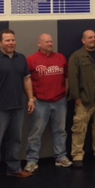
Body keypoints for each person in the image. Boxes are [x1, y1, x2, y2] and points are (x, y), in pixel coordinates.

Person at [0, 29, 35, 187]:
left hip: (18, 107)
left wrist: (30, 98)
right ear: (0, 43)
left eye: (13, 40)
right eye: (7, 40)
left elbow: (27, 80)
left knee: (15, 140)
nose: (11, 43)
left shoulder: (21, 58)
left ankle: (14, 169)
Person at [25, 33, 72, 172]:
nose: (50, 44)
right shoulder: (31, 60)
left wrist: (64, 92)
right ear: (39, 44)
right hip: (40, 102)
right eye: (46, 42)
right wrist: (31, 97)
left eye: (51, 41)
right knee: (36, 132)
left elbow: (67, 77)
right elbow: (26, 80)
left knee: (60, 131)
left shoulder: (61, 58)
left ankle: (61, 157)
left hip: (59, 101)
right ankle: (32, 160)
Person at [68, 29, 95, 168]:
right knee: (79, 128)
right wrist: (77, 98)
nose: (93, 39)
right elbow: (72, 78)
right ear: (83, 40)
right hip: (84, 100)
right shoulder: (77, 56)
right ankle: (77, 155)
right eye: (90, 37)